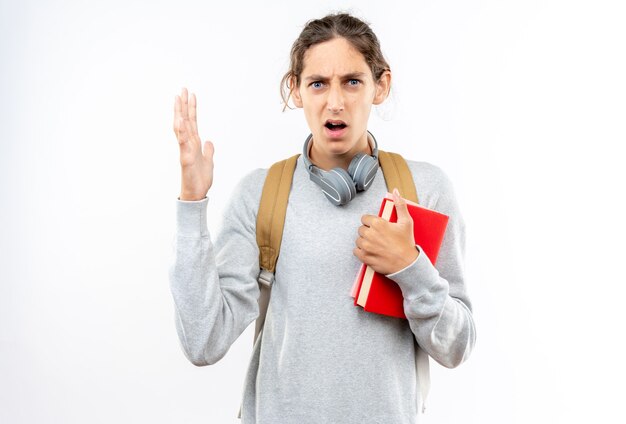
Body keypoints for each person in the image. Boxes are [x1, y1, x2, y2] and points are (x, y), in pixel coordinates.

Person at [169, 12, 476, 424]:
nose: (335, 102)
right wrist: (192, 202)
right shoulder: (261, 195)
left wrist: (410, 266)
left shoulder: (426, 190)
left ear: (380, 86)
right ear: (294, 90)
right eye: (318, 83)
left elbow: (457, 348)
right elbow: (203, 342)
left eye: (352, 81)